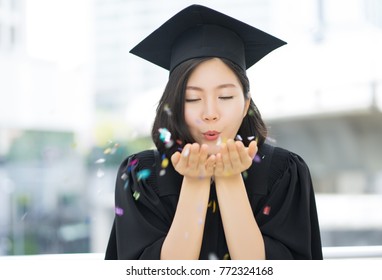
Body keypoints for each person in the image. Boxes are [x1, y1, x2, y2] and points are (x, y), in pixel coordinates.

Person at [105, 4, 323, 260]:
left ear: (245, 104)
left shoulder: (283, 172)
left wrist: (229, 178)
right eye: (192, 99)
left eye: (225, 96)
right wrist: (195, 182)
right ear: (174, 106)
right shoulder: (140, 176)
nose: (210, 112)